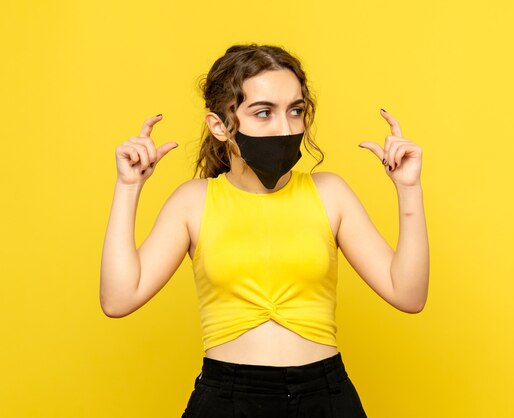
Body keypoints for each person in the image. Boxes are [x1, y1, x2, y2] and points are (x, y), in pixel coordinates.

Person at [100, 44, 429, 418]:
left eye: (295, 111)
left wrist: (409, 187)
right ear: (220, 126)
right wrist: (128, 187)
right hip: (227, 398)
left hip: (325, 396)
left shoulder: (330, 193)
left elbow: (409, 294)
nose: (285, 129)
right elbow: (118, 299)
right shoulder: (194, 201)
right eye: (263, 113)